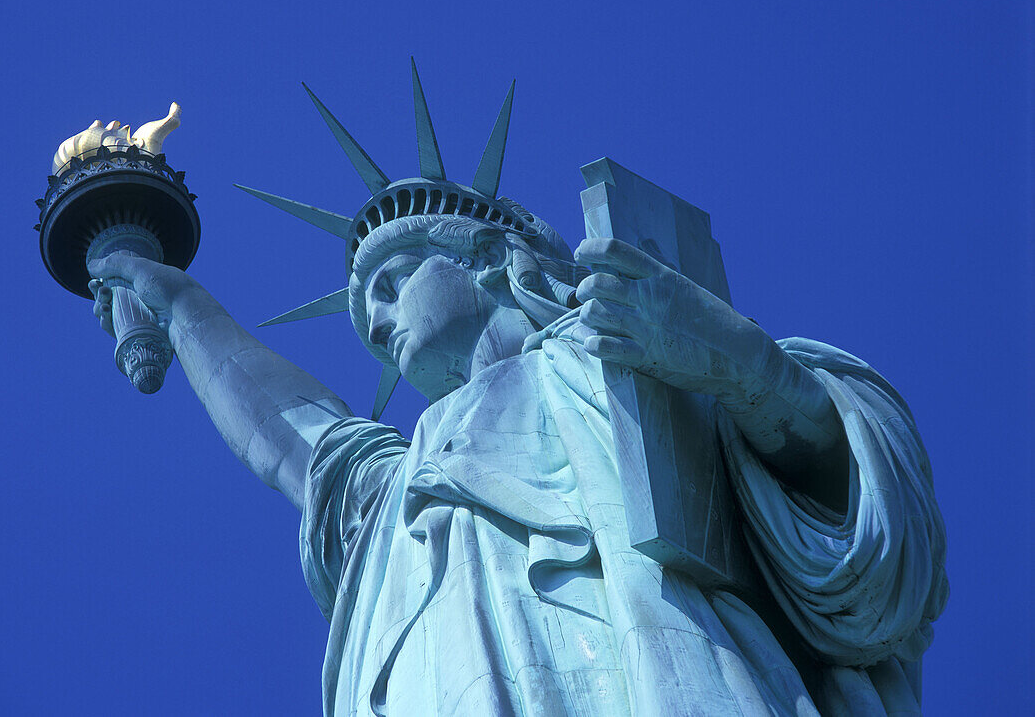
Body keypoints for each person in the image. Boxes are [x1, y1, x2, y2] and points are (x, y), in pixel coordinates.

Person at [89, 194, 947, 716]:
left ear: (494, 261)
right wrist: (178, 305)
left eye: (393, 283)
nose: (381, 326)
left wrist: (741, 369)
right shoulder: (402, 486)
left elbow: (869, 527)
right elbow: (300, 443)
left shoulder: (637, 356)